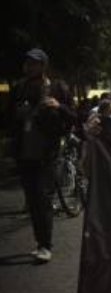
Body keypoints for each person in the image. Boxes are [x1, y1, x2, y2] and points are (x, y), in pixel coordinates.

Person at [7, 48, 77, 263]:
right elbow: (8, 118)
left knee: (43, 198)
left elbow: (74, 116)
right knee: (33, 200)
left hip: (48, 153)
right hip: (24, 152)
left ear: (44, 66)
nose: (31, 67)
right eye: (28, 63)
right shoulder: (19, 88)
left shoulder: (56, 87)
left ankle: (45, 245)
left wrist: (59, 106)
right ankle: (40, 241)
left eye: (35, 63)